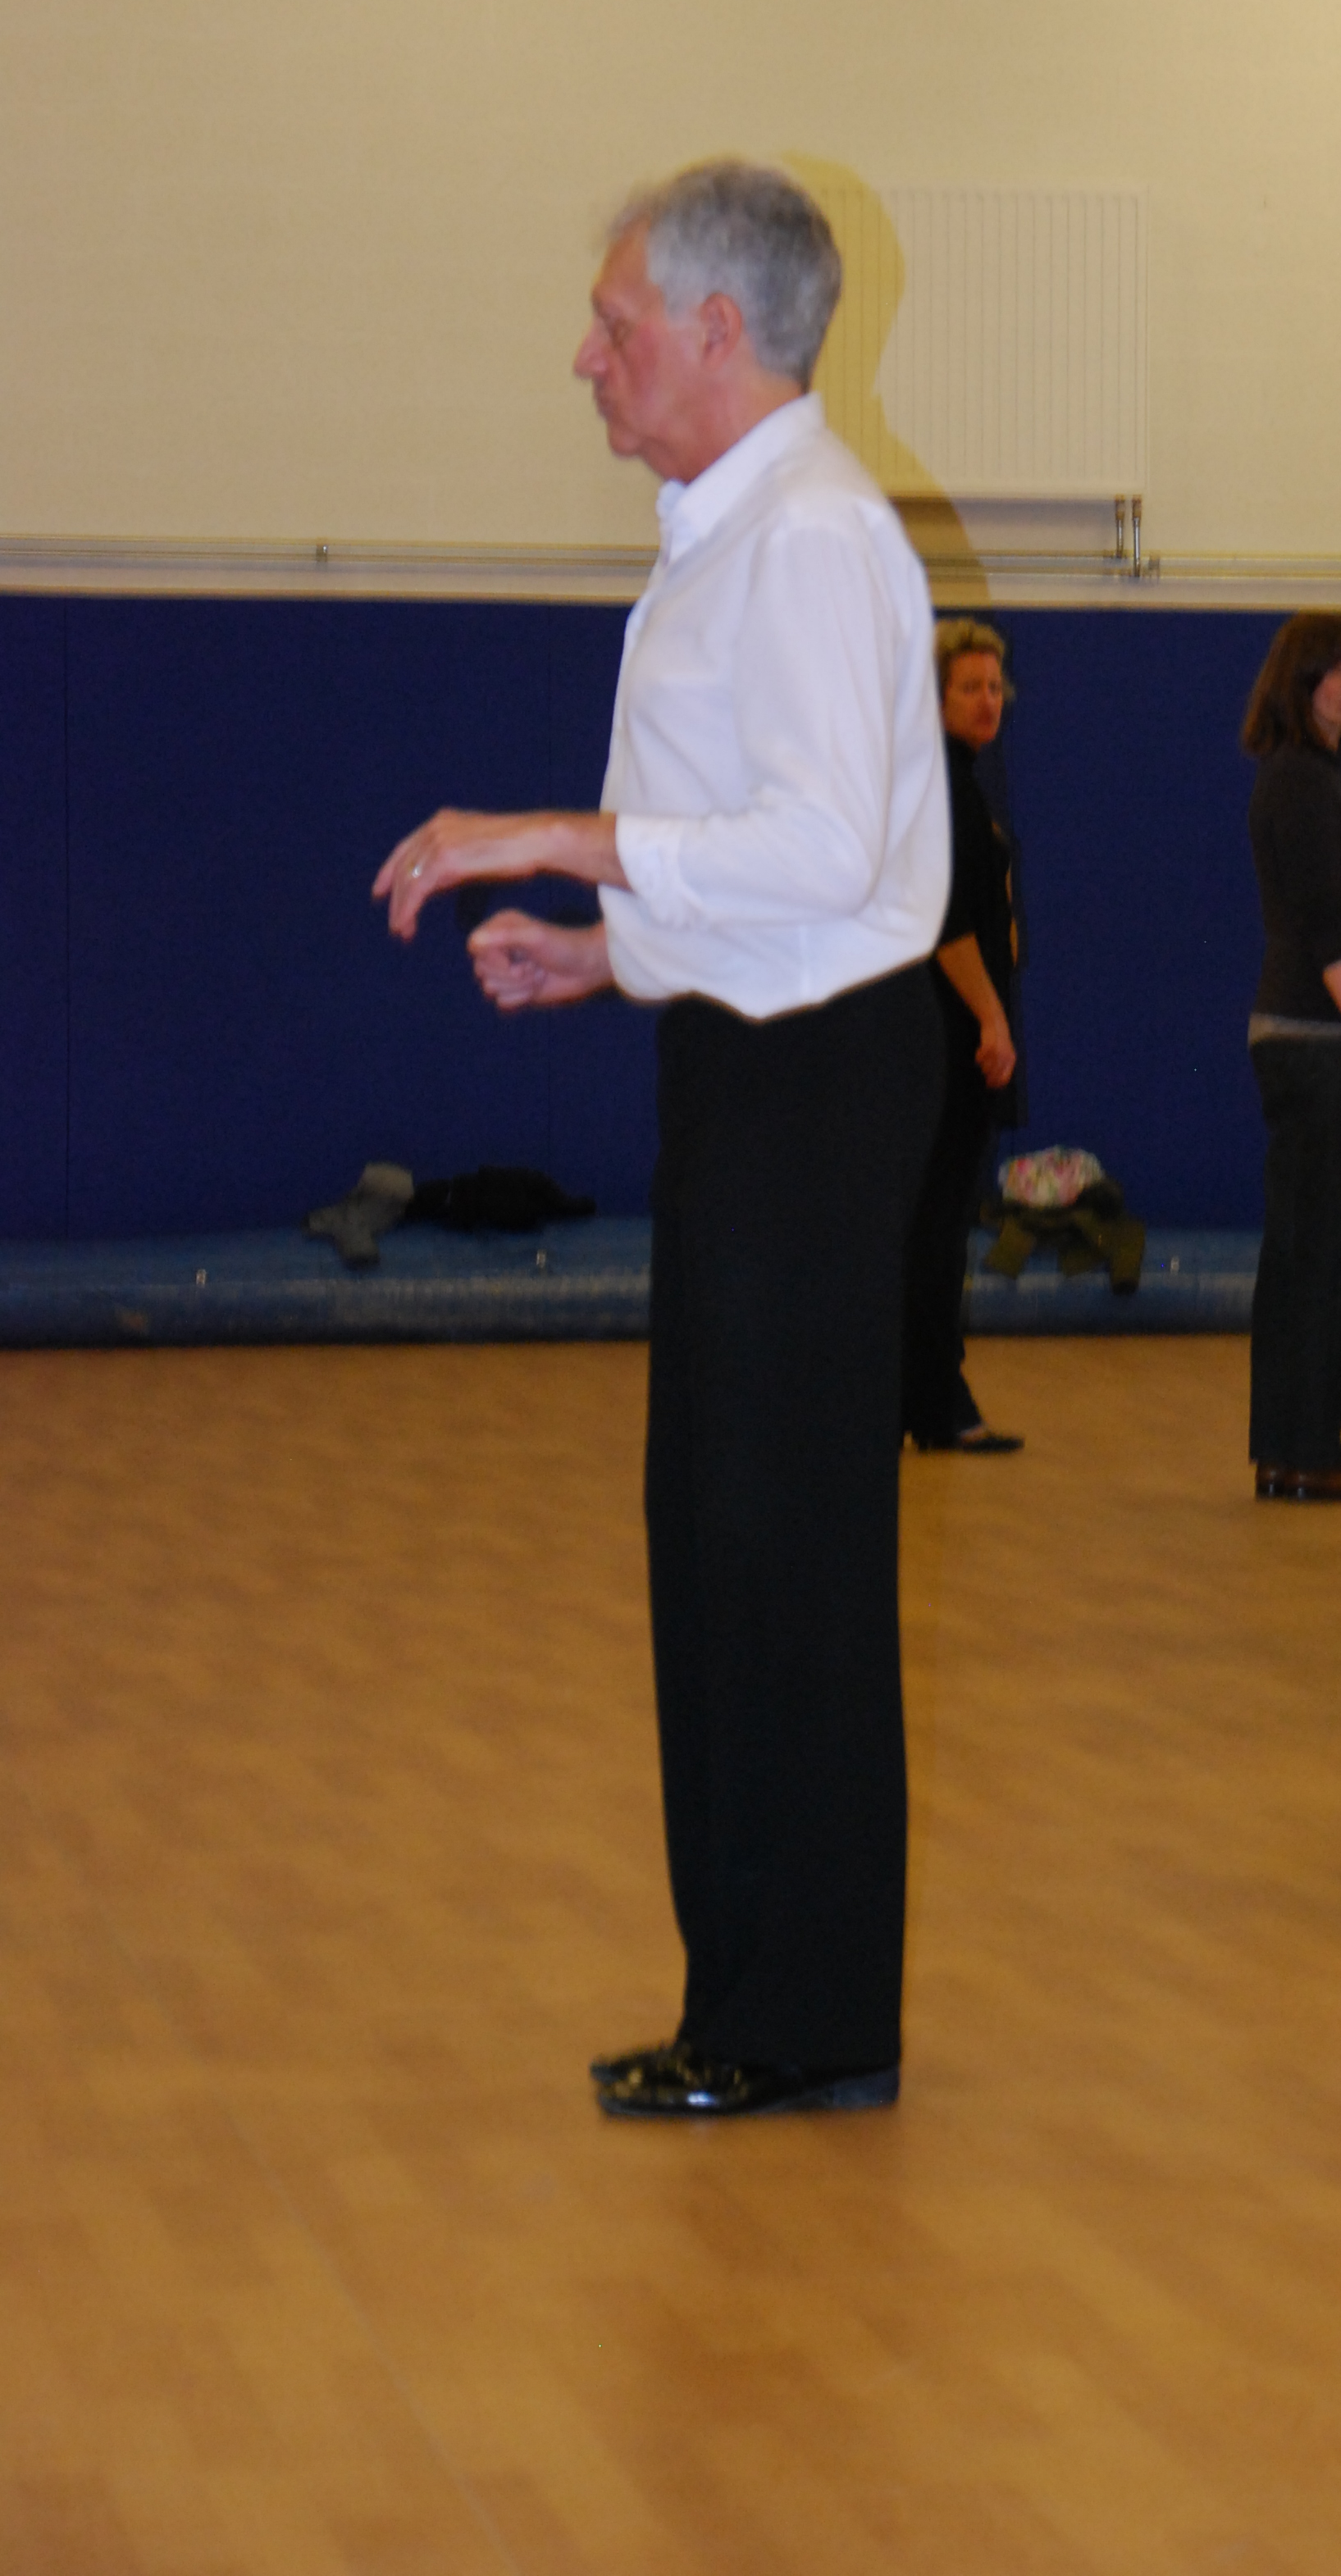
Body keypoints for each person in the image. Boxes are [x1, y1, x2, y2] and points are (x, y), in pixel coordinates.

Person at [372, 158, 949, 2114]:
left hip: (815, 1083)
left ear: (718, 329)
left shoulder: (812, 534)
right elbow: (775, 870)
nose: (587, 358)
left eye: (615, 325)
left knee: (777, 1548)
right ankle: (758, 1999)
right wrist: (609, 954)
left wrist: (549, 838)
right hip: (754, 1055)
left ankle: (799, 2018)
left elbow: (830, 852)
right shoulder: (737, 530)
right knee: (718, 1539)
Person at [1241, 612, 1341, 1507]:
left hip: (1305, 1035)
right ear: (1293, 686)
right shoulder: (1303, 781)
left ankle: (1291, 1448)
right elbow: (1321, 918)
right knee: (1323, 1253)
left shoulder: (1310, 777)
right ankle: (1305, 1450)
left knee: (1305, 1250)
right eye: (1328, 670)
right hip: (1318, 1039)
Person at [902, 618, 1024, 1456]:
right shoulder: (942, 786)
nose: (988, 701)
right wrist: (990, 1016)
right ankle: (937, 1401)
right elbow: (946, 925)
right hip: (946, 1034)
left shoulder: (954, 782)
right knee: (935, 1225)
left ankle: (922, 1395)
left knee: (932, 1222)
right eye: (970, 687)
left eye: (994, 687)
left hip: (944, 1029)